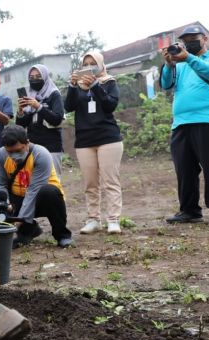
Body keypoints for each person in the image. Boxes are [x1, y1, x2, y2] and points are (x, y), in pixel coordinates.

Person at [160, 25, 209, 225]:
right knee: (185, 169)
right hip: (181, 122)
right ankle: (189, 210)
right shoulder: (179, 64)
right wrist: (169, 65)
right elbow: (166, 85)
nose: (189, 42)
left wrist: (189, 58)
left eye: (193, 38)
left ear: (204, 38)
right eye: (185, 39)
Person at [65, 51, 124, 235]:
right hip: (84, 140)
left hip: (108, 138)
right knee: (90, 183)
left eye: (93, 63)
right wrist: (73, 85)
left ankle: (113, 219)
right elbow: (68, 106)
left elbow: (110, 105)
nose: (89, 66)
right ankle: (93, 219)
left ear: (100, 64)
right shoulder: (78, 86)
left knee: (110, 181)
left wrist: (96, 85)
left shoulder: (108, 82)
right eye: (86, 64)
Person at [0, 125, 73, 248]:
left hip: (41, 199)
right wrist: (5, 204)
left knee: (50, 192)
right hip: (17, 199)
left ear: (27, 143)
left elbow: (33, 191)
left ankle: (62, 235)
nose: (14, 155)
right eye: (10, 152)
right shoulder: (1, 155)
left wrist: (20, 220)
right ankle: (29, 229)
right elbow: (0, 184)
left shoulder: (41, 154)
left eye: (18, 150)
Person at [16, 64, 65, 176]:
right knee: (35, 180)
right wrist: (20, 111)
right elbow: (20, 126)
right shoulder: (30, 96)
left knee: (53, 181)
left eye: (38, 76)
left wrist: (39, 107)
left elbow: (57, 119)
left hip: (51, 145)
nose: (34, 80)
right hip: (33, 145)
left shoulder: (54, 94)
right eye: (31, 77)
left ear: (45, 77)